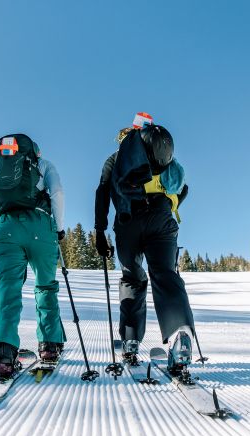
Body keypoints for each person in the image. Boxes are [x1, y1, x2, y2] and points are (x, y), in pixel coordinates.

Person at [94, 113, 195, 372]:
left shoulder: (116, 158)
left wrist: (99, 229)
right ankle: (180, 334)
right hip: (161, 218)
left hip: (128, 222)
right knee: (165, 274)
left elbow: (103, 191)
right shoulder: (161, 155)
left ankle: (129, 341)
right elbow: (182, 188)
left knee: (132, 278)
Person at [0, 133, 66, 377]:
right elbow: (58, 192)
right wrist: (58, 228)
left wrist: (6, 221)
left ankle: (2, 353)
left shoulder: (0, 167)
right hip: (40, 227)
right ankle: (49, 346)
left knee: (6, 288)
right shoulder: (44, 165)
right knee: (45, 286)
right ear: (35, 152)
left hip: (5, 229)